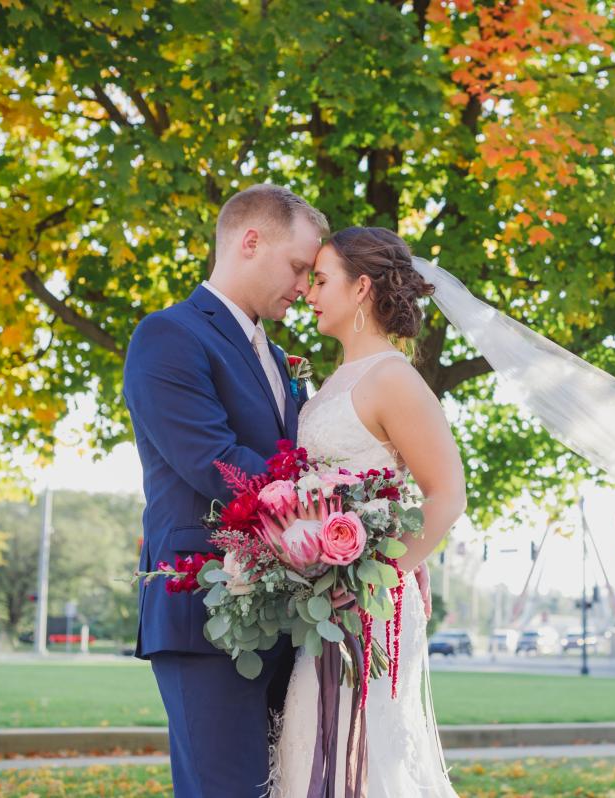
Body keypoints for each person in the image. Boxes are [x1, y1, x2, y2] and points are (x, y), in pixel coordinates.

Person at [124, 184, 328, 797]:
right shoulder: (168, 335)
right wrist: (333, 508)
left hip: (288, 615)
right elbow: (214, 461)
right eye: (298, 267)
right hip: (204, 612)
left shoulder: (280, 356)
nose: (305, 287)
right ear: (250, 242)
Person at [273, 227, 465, 797]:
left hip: (370, 606)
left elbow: (447, 494)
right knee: (311, 741)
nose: (308, 293)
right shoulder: (336, 380)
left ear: (360, 288)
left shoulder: (393, 378)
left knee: (362, 756)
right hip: (325, 605)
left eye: (321, 280)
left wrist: (382, 572)